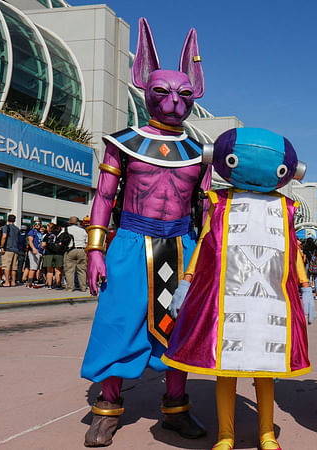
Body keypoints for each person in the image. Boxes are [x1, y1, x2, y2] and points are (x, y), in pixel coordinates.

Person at [79, 18, 210, 447]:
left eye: (183, 93)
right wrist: (95, 250)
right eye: (163, 91)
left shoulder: (200, 154)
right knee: (118, 323)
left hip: (182, 244)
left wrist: (210, 255)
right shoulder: (122, 143)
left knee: (180, 328)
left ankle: (175, 409)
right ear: (143, 85)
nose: (174, 100)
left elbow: (207, 208)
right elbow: (103, 197)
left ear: (195, 92)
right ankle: (107, 410)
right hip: (131, 243)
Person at [163, 127, 314, 450]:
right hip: (226, 299)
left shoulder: (286, 207)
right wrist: (186, 283)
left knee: (265, 369)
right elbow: (205, 242)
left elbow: (293, 250)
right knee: (226, 368)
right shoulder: (218, 200)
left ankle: (266, 433)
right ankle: (226, 434)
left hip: (271, 302)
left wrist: (305, 287)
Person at [64, 216, 88, 292]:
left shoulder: (66, 229)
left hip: (70, 250)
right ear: (77, 223)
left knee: (69, 270)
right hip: (81, 250)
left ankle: (70, 288)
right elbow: (87, 242)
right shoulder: (83, 231)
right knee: (82, 270)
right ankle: (83, 287)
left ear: (70, 222)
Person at [41, 223, 65, 290]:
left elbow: (43, 245)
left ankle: (49, 285)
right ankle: (58, 285)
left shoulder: (47, 235)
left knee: (49, 271)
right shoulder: (60, 235)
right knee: (58, 270)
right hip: (58, 254)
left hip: (49, 254)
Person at [26, 221, 44, 288]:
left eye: (39, 224)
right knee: (33, 267)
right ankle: (29, 283)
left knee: (37, 268)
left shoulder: (40, 233)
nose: (37, 225)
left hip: (40, 251)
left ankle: (34, 281)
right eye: (36, 224)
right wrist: (33, 248)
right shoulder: (32, 232)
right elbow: (30, 241)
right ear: (33, 225)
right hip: (34, 251)